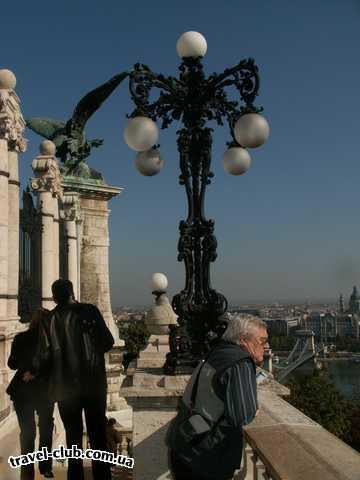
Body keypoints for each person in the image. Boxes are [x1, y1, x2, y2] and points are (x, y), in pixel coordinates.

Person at [166, 314, 269, 480]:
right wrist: (253, 409)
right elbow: (242, 416)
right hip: (206, 459)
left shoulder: (217, 353)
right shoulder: (240, 362)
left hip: (184, 445)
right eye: (262, 340)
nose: (267, 346)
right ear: (244, 340)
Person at [35, 279, 114, 480]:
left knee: (73, 439)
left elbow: (44, 357)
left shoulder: (48, 320)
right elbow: (108, 342)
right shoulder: (90, 311)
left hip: (65, 388)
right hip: (94, 385)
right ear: (72, 293)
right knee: (98, 437)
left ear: (54, 297)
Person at [7, 309, 55, 480]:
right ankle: (45, 466)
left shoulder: (20, 338)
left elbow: (12, 364)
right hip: (44, 392)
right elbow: (53, 366)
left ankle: (27, 472)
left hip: (23, 391)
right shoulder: (53, 342)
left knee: (27, 432)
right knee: (46, 429)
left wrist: (27, 368)